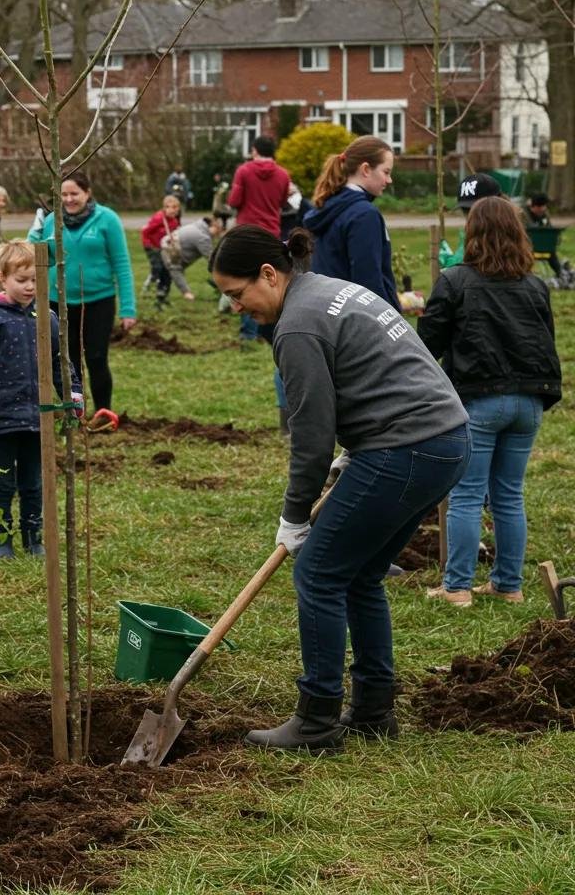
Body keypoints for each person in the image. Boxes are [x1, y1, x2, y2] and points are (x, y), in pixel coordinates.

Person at [211, 225, 470, 753]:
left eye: (238, 294)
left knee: (320, 572)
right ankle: (375, 709)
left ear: (268, 274)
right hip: (444, 440)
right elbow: (380, 374)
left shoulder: (298, 326)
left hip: (408, 448)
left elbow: (309, 433)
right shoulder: (329, 290)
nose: (236, 306)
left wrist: (294, 514)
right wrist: (356, 445)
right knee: (362, 575)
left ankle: (317, 719)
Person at [418, 197, 562, 606]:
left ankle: (458, 587)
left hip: (480, 401)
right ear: (519, 234)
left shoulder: (455, 281)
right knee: (509, 494)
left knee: (466, 494)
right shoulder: (535, 285)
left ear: (472, 235)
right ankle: (508, 585)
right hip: (529, 403)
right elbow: (545, 339)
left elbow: (427, 342)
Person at [0, 241, 82, 558]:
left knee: (33, 483)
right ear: (2, 278)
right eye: (22, 280)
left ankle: (34, 538)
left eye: (36, 280)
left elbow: (59, 362)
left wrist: (72, 394)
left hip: (37, 417)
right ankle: (2, 540)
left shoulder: (47, 317)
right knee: (2, 483)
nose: (30, 287)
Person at [27, 169, 136, 415]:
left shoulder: (107, 219)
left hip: (98, 301)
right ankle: (74, 414)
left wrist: (128, 308)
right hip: (59, 302)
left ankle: (103, 412)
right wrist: (36, 229)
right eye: (63, 194)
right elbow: (32, 253)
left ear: (87, 193)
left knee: (97, 358)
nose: (69, 200)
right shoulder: (51, 220)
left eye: (74, 193)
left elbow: (122, 264)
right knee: (67, 363)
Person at [303, 134, 401, 310]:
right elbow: (368, 280)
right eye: (386, 172)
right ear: (365, 169)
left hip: (327, 311)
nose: (389, 180)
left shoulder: (327, 207)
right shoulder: (364, 215)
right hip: (358, 320)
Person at [228, 135, 291, 342]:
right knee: (270, 283)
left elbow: (234, 200)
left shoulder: (244, 171)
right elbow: (283, 202)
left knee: (245, 282)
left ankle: (248, 332)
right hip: (271, 234)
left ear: (254, 150)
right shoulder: (283, 175)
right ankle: (271, 330)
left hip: (246, 234)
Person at [440, 173, 503, 269]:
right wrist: (451, 262)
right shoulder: (468, 238)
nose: (471, 216)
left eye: (478, 210)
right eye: (466, 211)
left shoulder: (508, 242)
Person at [161, 215, 221, 301]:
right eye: (217, 229)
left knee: (164, 274)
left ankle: (158, 293)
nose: (218, 232)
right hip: (171, 251)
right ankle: (187, 294)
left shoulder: (197, 226)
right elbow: (212, 258)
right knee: (176, 270)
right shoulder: (202, 237)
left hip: (166, 245)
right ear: (212, 226)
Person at [140, 195, 182, 306]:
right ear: (165, 207)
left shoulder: (174, 222)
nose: (174, 211)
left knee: (167, 270)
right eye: (171, 208)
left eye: (176, 208)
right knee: (157, 267)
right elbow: (145, 232)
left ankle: (163, 294)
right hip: (152, 246)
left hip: (164, 248)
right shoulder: (158, 218)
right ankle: (150, 283)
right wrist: (149, 245)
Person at [523, 192, 563, 276]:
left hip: (543, 246)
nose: (544, 209)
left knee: (551, 252)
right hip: (526, 247)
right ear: (535, 207)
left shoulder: (544, 215)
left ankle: (560, 275)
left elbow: (549, 228)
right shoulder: (523, 215)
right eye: (542, 207)